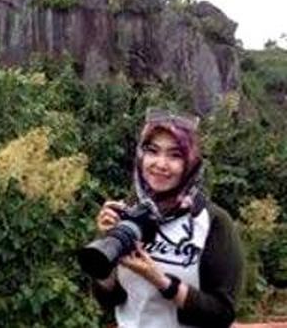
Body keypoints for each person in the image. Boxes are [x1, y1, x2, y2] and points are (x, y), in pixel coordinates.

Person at [91, 108, 243, 328]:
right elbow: (109, 301)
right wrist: (107, 252)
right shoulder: (130, 214)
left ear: (190, 163)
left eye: (175, 155)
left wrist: (160, 280)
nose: (160, 164)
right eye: (152, 151)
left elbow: (222, 313)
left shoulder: (212, 221)